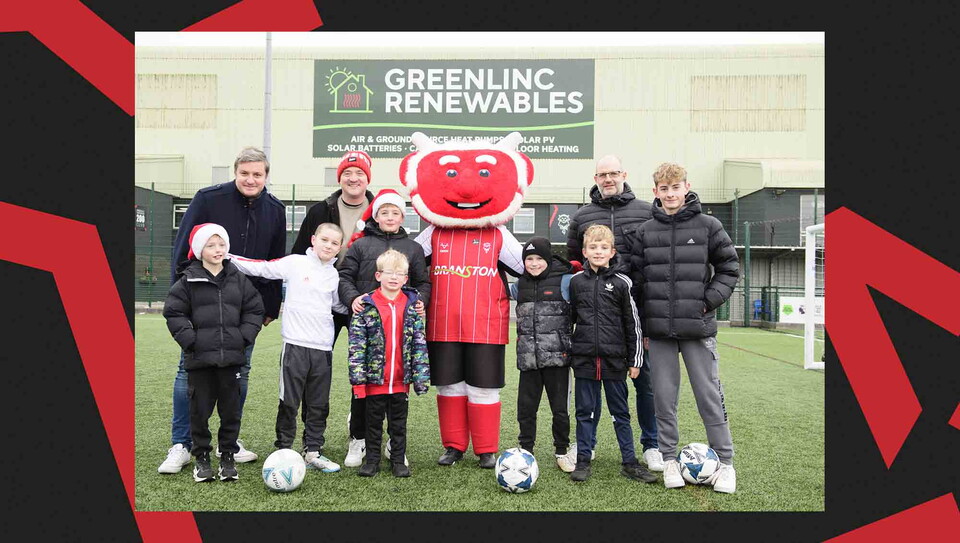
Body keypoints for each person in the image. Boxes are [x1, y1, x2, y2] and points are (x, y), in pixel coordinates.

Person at [401, 132, 531, 469]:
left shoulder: (497, 233)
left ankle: (486, 449)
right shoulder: (434, 232)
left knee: (483, 388)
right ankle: (454, 446)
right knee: (449, 387)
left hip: (486, 326)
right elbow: (404, 262)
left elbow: (529, 266)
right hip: (442, 324)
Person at [158, 147, 285, 474]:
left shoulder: (275, 209)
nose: (250, 179)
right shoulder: (208, 199)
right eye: (245, 173)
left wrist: (270, 307)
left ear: (266, 176)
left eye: (257, 174)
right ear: (235, 172)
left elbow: (275, 260)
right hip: (200, 306)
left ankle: (229, 443)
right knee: (188, 373)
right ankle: (181, 444)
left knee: (239, 373)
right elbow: (182, 248)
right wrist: (183, 296)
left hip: (242, 312)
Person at [628, 162, 740, 493]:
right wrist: (644, 325)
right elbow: (636, 283)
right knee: (664, 399)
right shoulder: (645, 232)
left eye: (675, 187)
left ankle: (726, 463)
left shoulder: (709, 225)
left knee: (709, 395)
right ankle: (669, 461)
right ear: (655, 191)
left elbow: (729, 268)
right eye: (664, 189)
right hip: (659, 333)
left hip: (698, 329)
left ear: (686, 187)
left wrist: (706, 302)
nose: (670, 194)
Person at [565, 155, 662, 471]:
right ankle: (586, 446)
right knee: (590, 388)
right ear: (595, 178)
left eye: (613, 173)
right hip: (596, 317)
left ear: (624, 174)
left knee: (644, 383)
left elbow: (653, 259)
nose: (608, 179)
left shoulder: (646, 211)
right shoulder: (582, 216)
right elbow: (573, 261)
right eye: (602, 174)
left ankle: (651, 444)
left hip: (637, 312)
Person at [229, 223, 348, 473]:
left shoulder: (334, 275)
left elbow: (339, 305)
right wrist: (227, 256)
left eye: (335, 243)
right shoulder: (295, 263)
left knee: (318, 404)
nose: (328, 246)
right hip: (295, 346)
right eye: (324, 240)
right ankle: (283, 449)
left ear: (339, 248)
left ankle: (313, 451)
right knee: (289, 402)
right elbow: (261, 268)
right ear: (313, 240)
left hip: (323, 349)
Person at [291, 150, 376, 461]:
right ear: (339, 177)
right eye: (347, 173)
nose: (353, 179)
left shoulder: (379, 210)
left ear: (368, 178)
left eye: (359, 173)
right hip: (322, 301)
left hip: (362, 301)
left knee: (364, 369)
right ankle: (312, 439)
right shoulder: (320, 210)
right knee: (314, 370)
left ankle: (359, 433)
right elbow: (299, 253)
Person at [162, 224, 264, 482]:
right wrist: (191, 341)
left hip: (232, 360)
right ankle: (202, 459)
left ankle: (228, 457)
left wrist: (243, 337)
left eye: (221, 244)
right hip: (200, 361)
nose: (218, 250)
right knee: (199, 412)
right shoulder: (188, 280)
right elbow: (174, 312)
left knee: (231, 413)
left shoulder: (238, 278)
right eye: (211, 245)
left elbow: (254, 309)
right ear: (199, 250)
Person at [338, 189, 431, 468]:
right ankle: (359, 438)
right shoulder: (360, 245)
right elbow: (344, 276)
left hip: (399, 326)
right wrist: (353, 298)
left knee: (396, 393)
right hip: (369, 326)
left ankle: (394, 445)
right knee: (364, 386)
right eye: (384, 212)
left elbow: (423, 283)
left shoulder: (414, 248)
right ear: (375, 216)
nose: (390, 217)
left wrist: (420, 301)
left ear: (402, 217)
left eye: (395, 212)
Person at [568, 224, 656, 484]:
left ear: (612, 252)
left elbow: (633, 324)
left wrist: (635, 360)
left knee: (621, 414)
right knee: (585, 412)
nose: (598, 251)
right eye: (593, 247)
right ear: (584, 252)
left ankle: (629, 462)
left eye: (603, 247)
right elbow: (569, 319)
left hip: (615, 361)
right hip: (584, 360)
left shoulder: (622, 282)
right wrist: (570, 352)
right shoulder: (576, 282)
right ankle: (583, 460)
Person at [347, 250, 430, 478]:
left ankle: (398, 460)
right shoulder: (366, 306)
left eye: (399, 273)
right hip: (375, 381)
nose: (394, 277)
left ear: (406, 278)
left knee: (398, 424)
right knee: (373, 423)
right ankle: (372, 460)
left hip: (401, 381)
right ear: (378, 275)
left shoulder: (412, 306)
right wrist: (359, 382)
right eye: (389, 272)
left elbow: (419, 343)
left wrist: (420, 378)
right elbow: (356, 347)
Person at [508, 237, 577, 473]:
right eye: (529, 259)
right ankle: (526, 450)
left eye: (539, 258)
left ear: (548, 259)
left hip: (558, 360)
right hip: (529, 359)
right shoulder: (519, 285)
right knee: (526, 409)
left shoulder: (566, 281)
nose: (534, 263)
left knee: (560, 409)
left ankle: (562, 451)